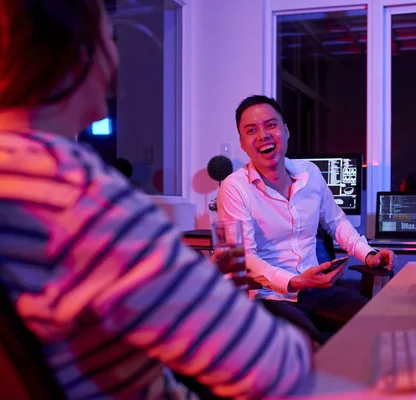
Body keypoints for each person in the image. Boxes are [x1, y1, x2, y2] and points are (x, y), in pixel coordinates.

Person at [0, 1, 311, 399]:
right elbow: (273, 367)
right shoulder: (76, 193)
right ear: (79, 54)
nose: (115, 52)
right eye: (108, 36)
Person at [217, 95, 395, 342]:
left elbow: (337, 223)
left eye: (271, 125)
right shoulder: (234, 188)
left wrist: (368, 254)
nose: (263, 135)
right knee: (310, 349)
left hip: (317, 290)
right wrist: (293, 281)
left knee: (383, 326)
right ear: (243, 143)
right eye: (251, 130)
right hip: (269, 298)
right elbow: (244, 257)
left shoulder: (309, 173)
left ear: (286, 131)